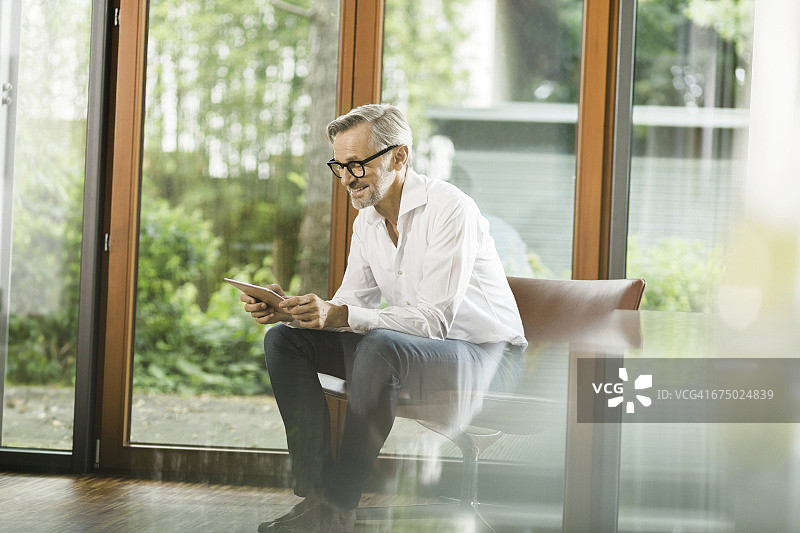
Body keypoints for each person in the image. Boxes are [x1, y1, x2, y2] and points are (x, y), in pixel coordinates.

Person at [241, 104, 527, 533]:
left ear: (399, 156)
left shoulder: (451, 209)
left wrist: (341, 313)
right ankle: (317, 497)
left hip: (488, 358)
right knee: (285, 341)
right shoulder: (368, 221)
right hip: (408, 353)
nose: (346, 178)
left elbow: (434, 322)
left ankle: (338, 508)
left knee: (380, 346)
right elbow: (350, 306)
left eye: (357, 164)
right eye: (339, 165)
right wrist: (298, 313)